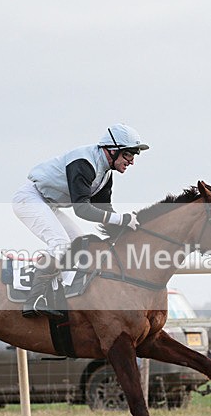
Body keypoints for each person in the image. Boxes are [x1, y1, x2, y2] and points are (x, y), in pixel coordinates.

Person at [12, 123, 149, 318]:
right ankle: (34, 299)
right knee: (61, 244)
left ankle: (60, 294)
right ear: (112, 150)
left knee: (80, 244)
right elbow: (82, 209)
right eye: (128, 154)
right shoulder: (84, 162)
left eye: (135, 155)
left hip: (48, 203)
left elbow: (104, 212)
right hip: (30, 198)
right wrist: (122, 219)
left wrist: (128, 231)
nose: (132, 161)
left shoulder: (105, 174)